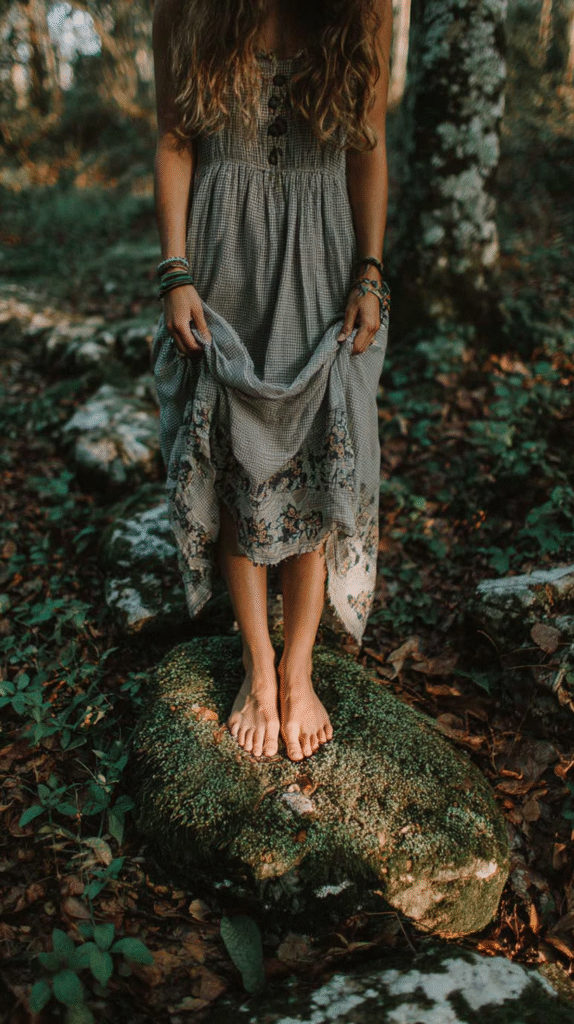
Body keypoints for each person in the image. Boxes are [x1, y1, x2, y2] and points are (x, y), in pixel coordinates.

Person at [150, 0, 393, 763]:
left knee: (319, 447)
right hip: (225, 254)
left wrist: (373, 272)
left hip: (322, 255)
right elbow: (175, 139)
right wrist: (175, 271)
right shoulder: (184, 7)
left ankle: (299, 668)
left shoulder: (365, 8)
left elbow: (368, 144)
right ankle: (259, 670)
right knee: (232, 453)